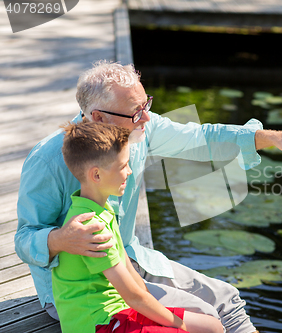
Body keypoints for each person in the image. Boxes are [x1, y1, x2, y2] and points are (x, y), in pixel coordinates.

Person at [15, 61, 282, 333]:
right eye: (136, 113)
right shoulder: (47, 161)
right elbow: (24, 238)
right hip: (81, 294)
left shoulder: (139, 128)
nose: (146, 119)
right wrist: (60, 239)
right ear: (98, 117)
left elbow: (202, 139)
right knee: (205, 317)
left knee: (229, 300)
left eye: (146, 105)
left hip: (130, 259)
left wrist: (270, 138)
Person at [54, 121, 223, 333]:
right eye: (123, 166)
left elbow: (131, 275)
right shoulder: (91, 227)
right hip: (99, 324)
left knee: (213, 327)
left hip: (119, 311)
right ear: (96, 175)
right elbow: (133, 296)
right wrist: (180, 325)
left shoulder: (102, 208)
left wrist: (161, 314)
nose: (130, 172)